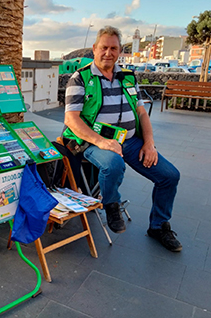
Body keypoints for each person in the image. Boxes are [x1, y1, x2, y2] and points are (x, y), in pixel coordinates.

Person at [63, 25, 182, 252]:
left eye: (114, 48)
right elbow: (71, 120)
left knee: (170, 176)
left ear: (119, 50)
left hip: (130, 141)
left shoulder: (127, 77)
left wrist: (149, 144)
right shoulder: (79, 79)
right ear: (94, 49)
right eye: (104, 47)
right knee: (113, 163)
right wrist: (102, 142)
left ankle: (158, 226)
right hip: (92, 141)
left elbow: (141, 113)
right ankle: (111, 205)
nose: (108, 52)